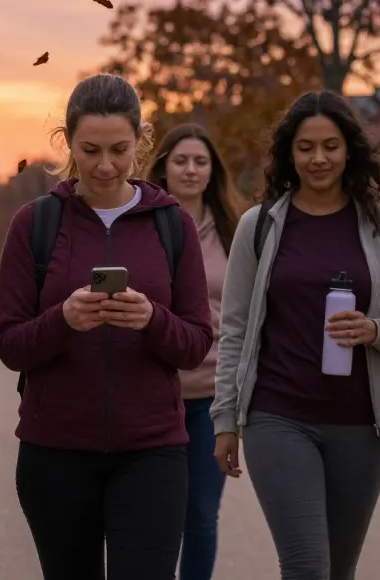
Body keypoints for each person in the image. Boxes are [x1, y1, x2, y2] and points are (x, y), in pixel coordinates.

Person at [0, 74, 215, 580]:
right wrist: (64, 320)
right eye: (90, 150)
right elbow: (9, 345)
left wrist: (153, 319)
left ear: (142, 141)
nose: (106, 165)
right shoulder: (35, 224)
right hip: (56, 454)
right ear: (67, 142)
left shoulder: (171, 223)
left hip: (152, 452)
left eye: (119, 149)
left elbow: (197, 342)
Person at [211, 90, 380, 580]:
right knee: (306, 567)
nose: (318, 158)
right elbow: (235, 329)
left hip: (361, 426)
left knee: (338, 571)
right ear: (289, 153)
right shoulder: (258, 226)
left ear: (349, 150)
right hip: (278, 416)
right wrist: (225, 418)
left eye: (330, 145)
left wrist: (373, 330)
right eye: (305, 147)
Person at [144, 122, 244, 580]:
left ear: (212, 171)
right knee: (154, 518)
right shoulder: (142, 226)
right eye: (180, 160)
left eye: (200, 161)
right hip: (152, 394)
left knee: (201, 515)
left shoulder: (236, 230)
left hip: (212, 398)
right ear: (162, 168)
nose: (190, 169)